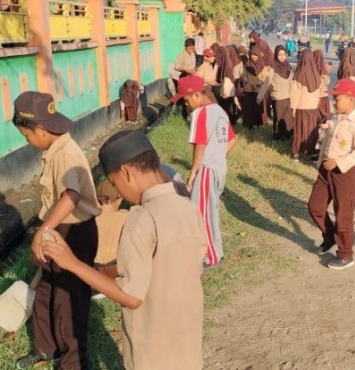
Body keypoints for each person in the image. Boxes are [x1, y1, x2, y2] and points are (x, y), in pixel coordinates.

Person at [41, 130, 208, 370]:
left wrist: (72, 263)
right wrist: (107, 271)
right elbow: (167, 264)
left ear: (126, 172)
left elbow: (131, 297)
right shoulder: (187, 208)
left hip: (153, 349)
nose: (118, 191)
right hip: (187, 341)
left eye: (114, 183)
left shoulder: (141, 219)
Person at [12, 91, 101, 369]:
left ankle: (73, 361)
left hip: (75, 233)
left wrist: (42, 231)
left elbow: (71, 196)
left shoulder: (65, 152)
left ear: (39, 130)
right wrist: (46, 232)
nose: (27, 142)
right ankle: (45, 348)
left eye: (26, 137)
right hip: (58, 228)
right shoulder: (52, 148)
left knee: (68, 301)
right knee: (46, 290)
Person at [171, 75, 236, 267]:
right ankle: (216, 251)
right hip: (219, 168)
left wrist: (193, 173)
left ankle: (211, 257)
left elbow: (199, 145)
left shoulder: (200, 114)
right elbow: (232, 140)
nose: (186, 105)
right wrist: (217, 155)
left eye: (187, 100)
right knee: (211, 212)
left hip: (207, 170)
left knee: (201, 214)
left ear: (196, 95)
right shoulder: (220, 112)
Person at [308, 79, 355, 270]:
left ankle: (345, 255)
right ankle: (329, 237)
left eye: (337, 98)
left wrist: (339, 162)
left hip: (344, 173)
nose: (334, 102)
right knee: (315, 206)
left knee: (343, 215)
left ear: (351, 99)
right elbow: (328, 143)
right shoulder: (336, 118)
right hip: (326, 170)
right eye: (334, 98)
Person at [337, 47, 355, 175]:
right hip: (350, 104)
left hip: (341, 102)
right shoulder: (352, 69)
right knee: (354, 133)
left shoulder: (341, 67)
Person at [290, 49, 321, 161]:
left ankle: (296, 153)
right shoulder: (316, 74)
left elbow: (295, 93)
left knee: (299, 130)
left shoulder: (299, 74)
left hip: (301, 106)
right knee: (312, 130)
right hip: (313, 107)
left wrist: (293, 108)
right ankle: (312, 152)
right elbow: (318, 92)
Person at [257, 45, 293, 140]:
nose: (282, 56)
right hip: (277, 96)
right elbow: (267, 82)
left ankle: (287, 134)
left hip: (288, 96)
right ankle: (278, 135)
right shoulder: (273, 67)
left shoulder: (288, 66)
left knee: (287, 117)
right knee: (278, 116)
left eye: (283, 54)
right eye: (279, 55)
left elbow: (292, 82)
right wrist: (260, 96)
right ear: (276, 55)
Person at [93, 180, 128, 279]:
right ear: (118, 199)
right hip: (117, 272)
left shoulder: (88, 219)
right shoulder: (126, 216)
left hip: (93, 271)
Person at [239, 46, 270, 128]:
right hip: (249, 89)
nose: (253, 56)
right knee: (249, 108)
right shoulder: (247, 64)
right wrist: (247, 82)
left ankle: (258, 124)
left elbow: (265, 78)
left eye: (255, 55)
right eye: (251, 54)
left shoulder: (263, 66)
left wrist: (257, 84)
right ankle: (249, 124)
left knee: (257, 108)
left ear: (258, 55)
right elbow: (244, 75)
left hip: (258, 90)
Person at [173, 38, 197, 119]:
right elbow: (176, 67)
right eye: (189, 48)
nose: (191, 49)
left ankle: (192, 113)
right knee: (185, 97)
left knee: (192, 96)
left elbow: (193, 65)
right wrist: (186, 69)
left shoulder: (193, 53)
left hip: (192, 77)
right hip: (184, 76)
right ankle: (184, 115)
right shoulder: (182, 55)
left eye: (192, 48)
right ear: (185, 47)